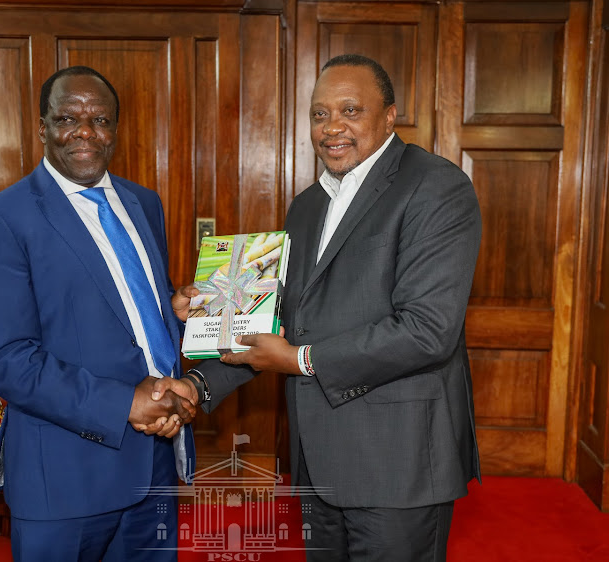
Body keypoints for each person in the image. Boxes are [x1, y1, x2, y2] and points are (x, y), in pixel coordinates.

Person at [156, 54, 482, 561]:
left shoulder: (436, 187)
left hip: (397, 465)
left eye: (350, 111)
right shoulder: (306, 206)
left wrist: (299, 360)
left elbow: (426, 330)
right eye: (319, 114)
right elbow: (279, 320)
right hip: (317, 464)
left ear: (390, 115)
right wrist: (202, 368)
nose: (332, 128)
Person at [0, 65, 197, 562]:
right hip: (65, 478)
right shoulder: (0, 219)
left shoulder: (143, 203)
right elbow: (6, 358)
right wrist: (122, 405)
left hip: (156, 461)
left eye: (100, 120)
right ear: (42, 127)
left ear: (115, 129)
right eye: (68, 118)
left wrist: (173, 314)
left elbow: (129, 317)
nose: (85, 132)